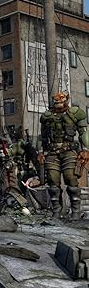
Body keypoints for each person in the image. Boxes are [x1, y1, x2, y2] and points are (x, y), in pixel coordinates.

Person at [40, 91, 89, 221]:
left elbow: (83, 133)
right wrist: (40, 152)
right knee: (52, 181)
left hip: (69, 151)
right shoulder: (47, 116)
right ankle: (57, 211)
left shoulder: (75, 113)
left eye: (60, 100)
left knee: (71, 179)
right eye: (56, 101)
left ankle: (75, 211)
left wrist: (85, 149)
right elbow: (42, 136)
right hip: (52, 152)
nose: (58, 103)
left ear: (66, 100)